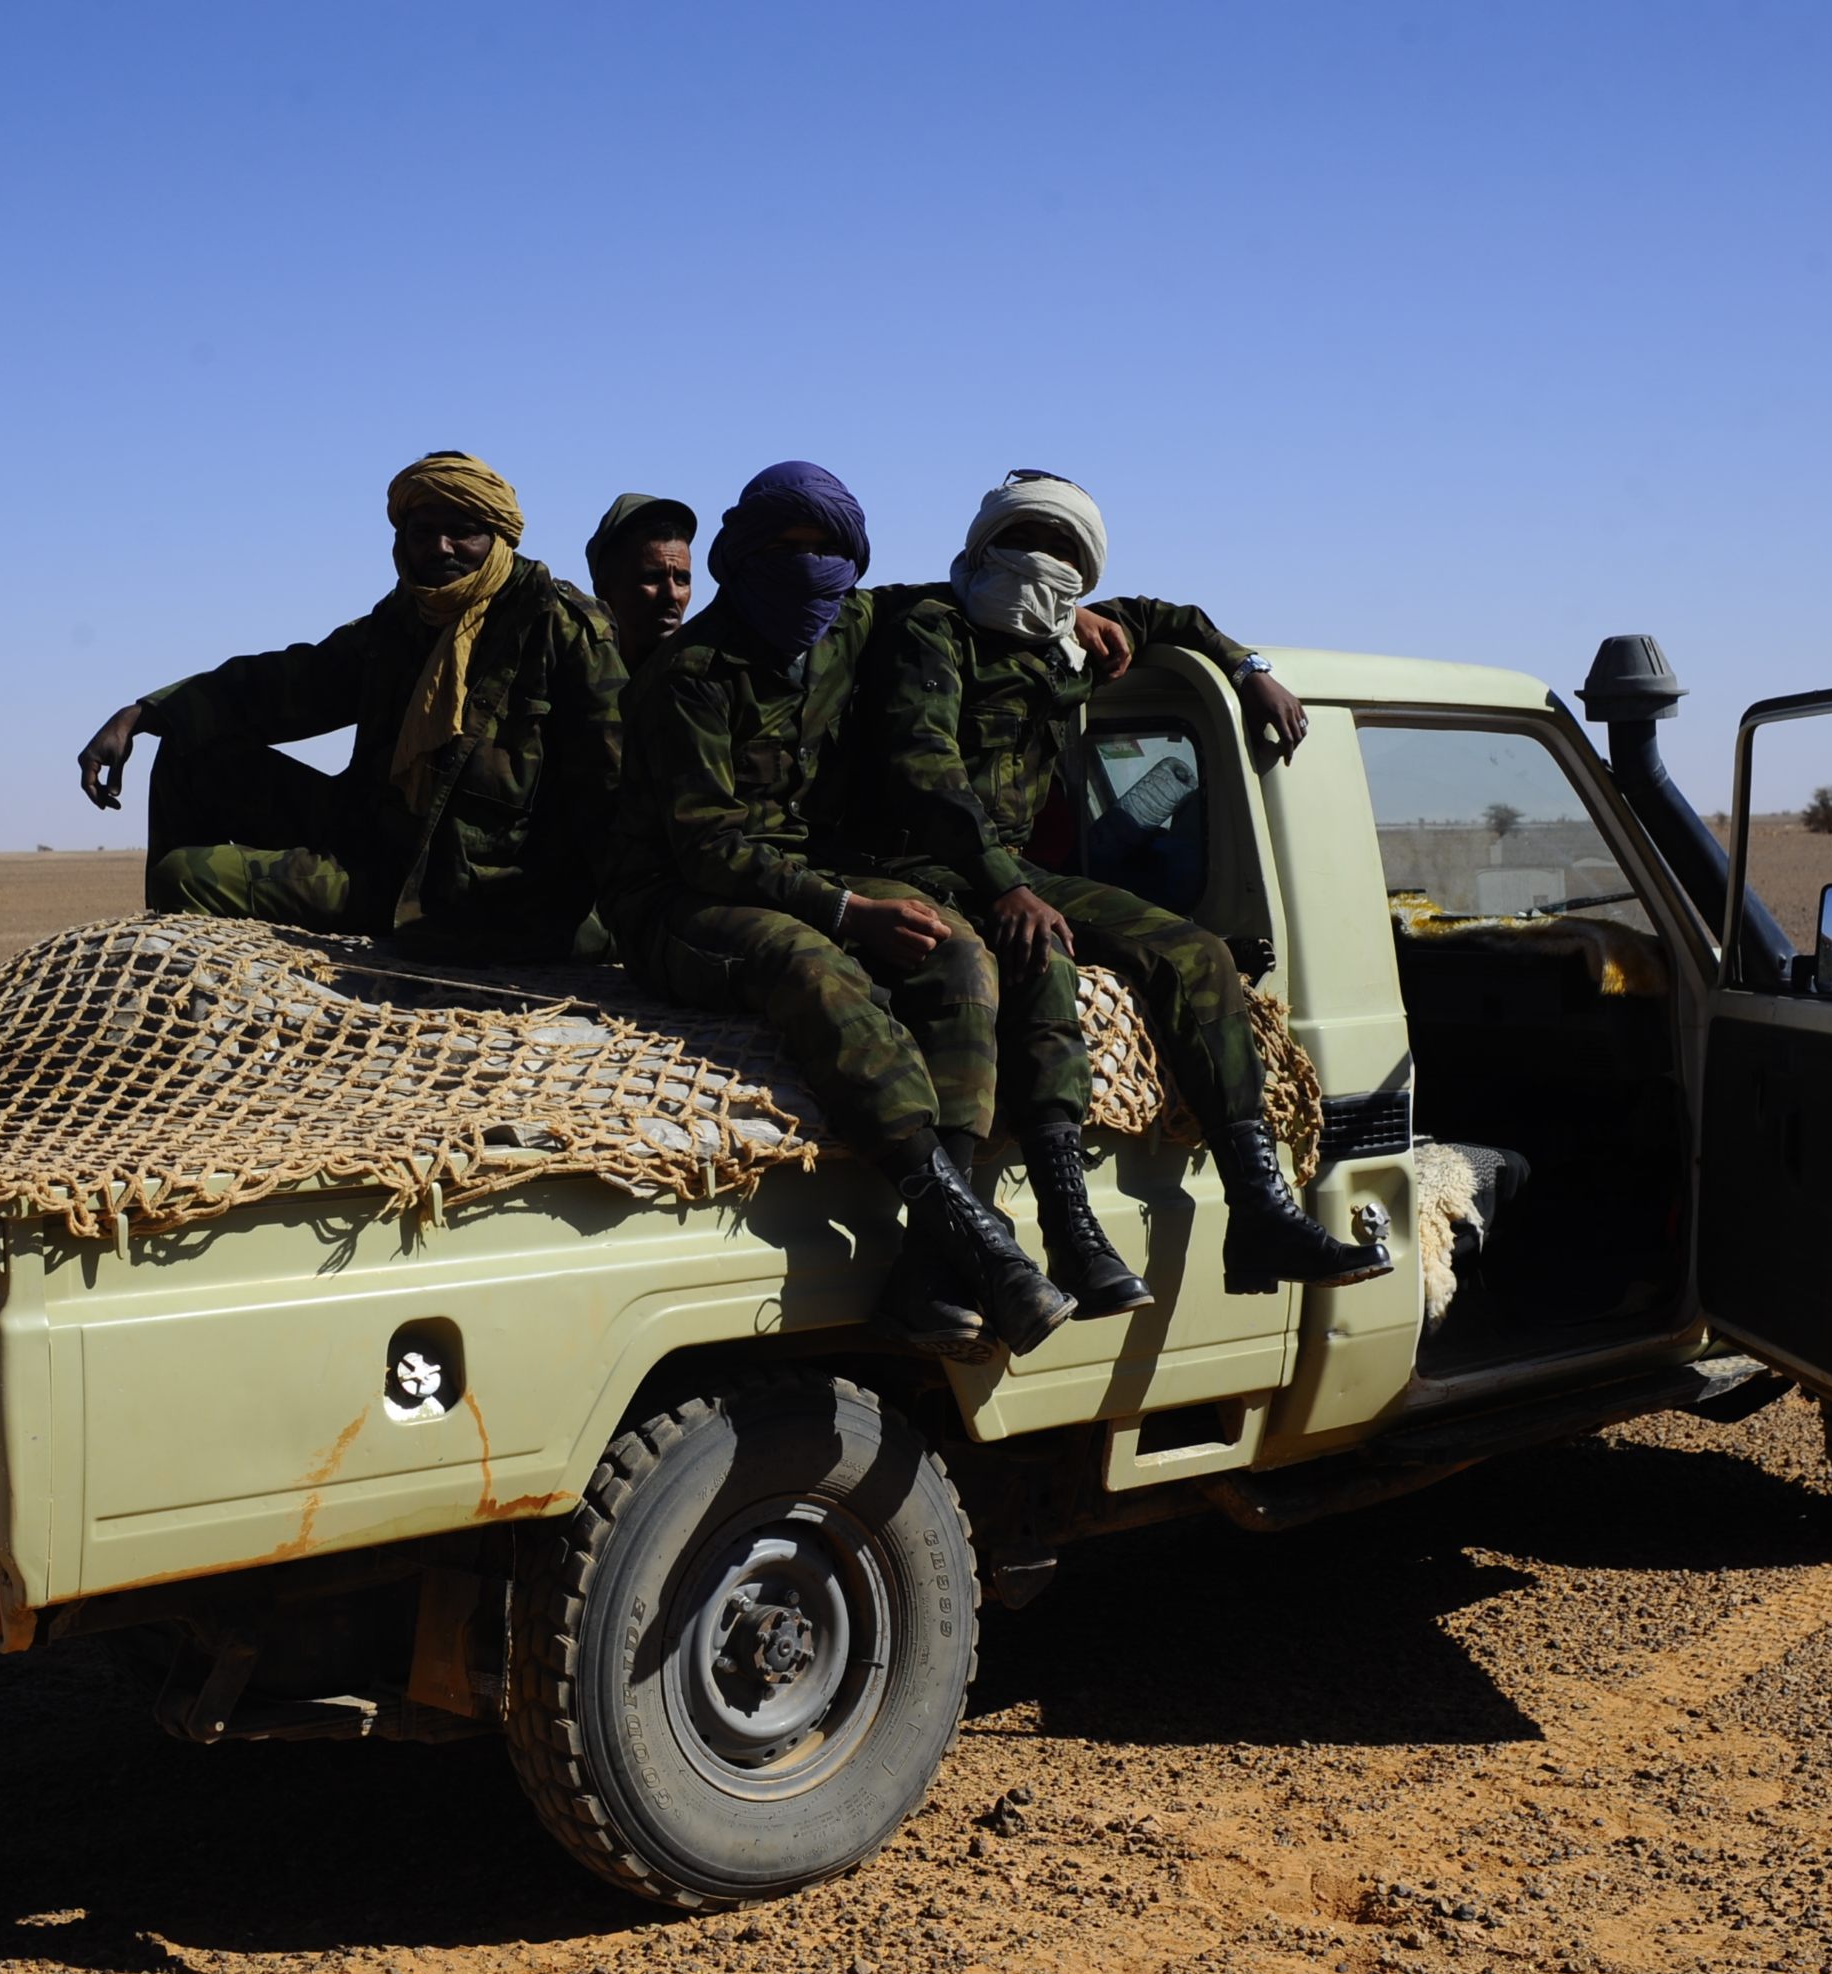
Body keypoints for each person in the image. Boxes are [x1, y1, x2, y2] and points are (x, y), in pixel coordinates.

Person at [833, 470, 1390, 1313]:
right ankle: (1067, 1223)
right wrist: (1006, 889)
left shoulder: (1072, 636)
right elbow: (925, 771)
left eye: (1062, 550)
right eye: (1022, 541)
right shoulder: (931, 627)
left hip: (1015, 869)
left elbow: (1175, 618)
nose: (1040, 561)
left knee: (1197, 954)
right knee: (1035, 952)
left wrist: (1249, 668)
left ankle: (1261, 1209)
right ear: (983, 548)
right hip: (918, 862)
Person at [599, 461, 1075, 1362]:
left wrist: (1088, 618)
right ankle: (971, 1233)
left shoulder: (849, 622)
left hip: (810, 870)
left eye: (827, 550)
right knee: (813, 967)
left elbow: (983, 594)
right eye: (787, 549)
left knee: (960, 953)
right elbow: (709, 847)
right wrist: (847, 911)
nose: (810, 568)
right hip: (675, 898)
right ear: (743, 556)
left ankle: (935, 1262)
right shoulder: (688, 674)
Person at [71, 451, 622, 964]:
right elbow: (291, 682)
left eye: (464, 532)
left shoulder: (561, 628)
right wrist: (142, 715)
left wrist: (618, 928)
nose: (441, 548)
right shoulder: (402, 620)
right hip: (371, 840)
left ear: (499, 537)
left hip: (460, 891)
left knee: (183, 876)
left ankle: (182, 996)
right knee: (190, 753)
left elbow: (615, 786)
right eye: (423, 532)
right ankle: (182, 986)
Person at [584, 493, 697, 666]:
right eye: (652, 578)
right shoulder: (575, 675)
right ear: (605, 590)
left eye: (681, 579)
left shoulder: (711, 678)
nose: (672, 594)